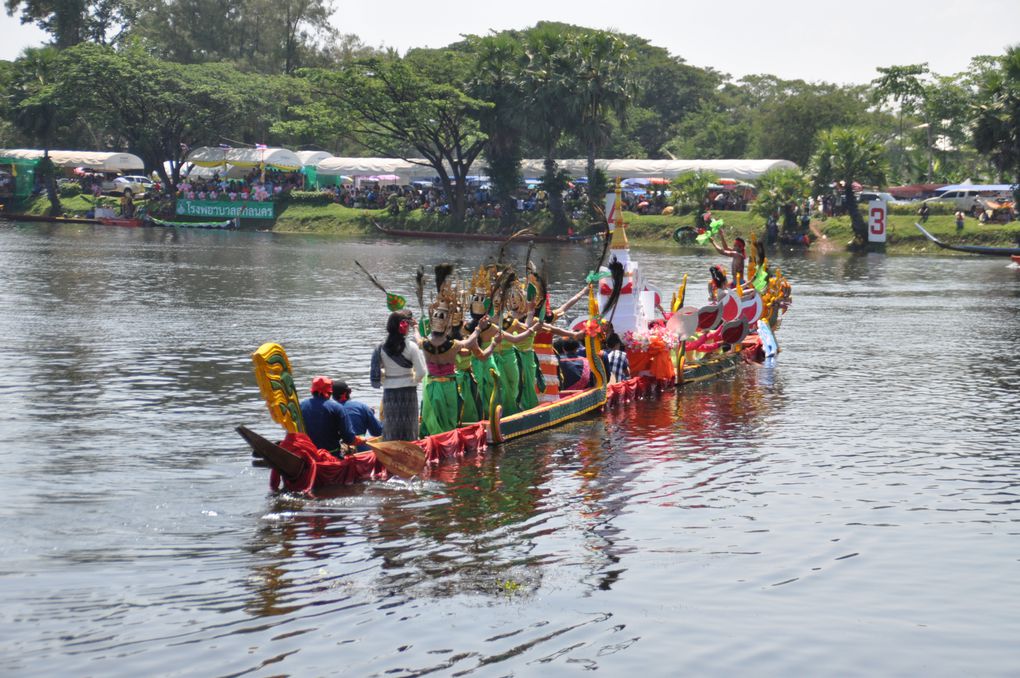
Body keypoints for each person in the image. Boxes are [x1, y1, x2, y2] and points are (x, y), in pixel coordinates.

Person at [370, 310, 428, 441]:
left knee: (391, 426)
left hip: (389, 392)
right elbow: (422, 372)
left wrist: (386, 376)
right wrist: (414, 380)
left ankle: (391, 450)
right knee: (409, 427)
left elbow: (376, 372)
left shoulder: (380, 348)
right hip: (408, 391)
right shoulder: (411, 347)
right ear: (404, 327)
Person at [299, 376, 356, 455]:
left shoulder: (301, 405)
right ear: (330, 392)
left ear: (312, 391)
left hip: (307, 454)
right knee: (352, 449)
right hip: (331, 454)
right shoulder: (337, 407)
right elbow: (349, 438)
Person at [332, 381, 382, 451]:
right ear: (349, 392)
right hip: (360, 450)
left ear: (333, 396)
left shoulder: (329, 410)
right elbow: (377, 432)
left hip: (338, 451)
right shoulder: (362, 407)